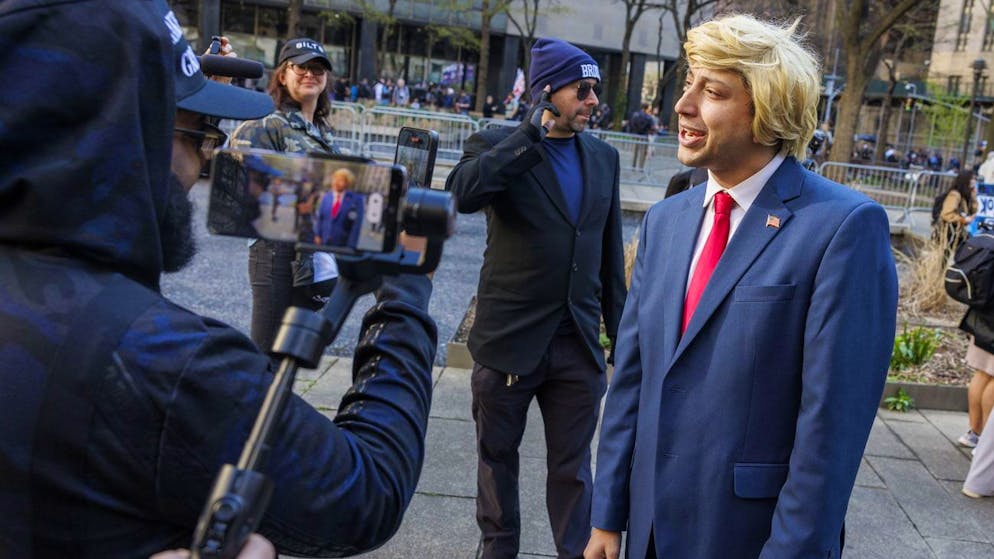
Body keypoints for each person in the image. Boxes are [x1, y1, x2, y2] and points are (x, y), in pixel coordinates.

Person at [0, 1, 438, 556]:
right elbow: (366, 491)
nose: (203, 164)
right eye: (200, 134)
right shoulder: (165, 361)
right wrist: (404, 291)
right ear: (128, 132)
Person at [585, 15, 897, 559]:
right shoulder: (666, 221)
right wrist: (607, 516)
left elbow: (830, 429)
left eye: (714, 92)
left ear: (768, 110)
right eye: (688, 85)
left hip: (749, 539)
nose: (683, 106)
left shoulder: (844, 227)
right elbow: (632, 380)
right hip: (647, 529)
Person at [446, 37, 627, 559]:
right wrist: (530, 135)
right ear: (547, 92)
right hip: (510, 343)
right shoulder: (496, 143)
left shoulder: (604, 157)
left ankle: (578, 552)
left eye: (595, 89)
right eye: (583, 89)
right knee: (496, 460)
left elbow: (609, 259)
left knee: (573, 468)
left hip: (576, 346)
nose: (594, 100)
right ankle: (498, 550)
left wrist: (622, 340)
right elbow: (462, 193)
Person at [229, 37, 339, 354]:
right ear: (282, 74)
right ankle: (257, 404)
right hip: (276, 254)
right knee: (267, 355)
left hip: (316, 258)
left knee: (293, 353)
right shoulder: (266, 124)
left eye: (318, 68)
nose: (310, 74)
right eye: (301, 67)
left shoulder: (322, 131)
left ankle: (279, 402)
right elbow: (243, 188)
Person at [314, 167, 364, 248]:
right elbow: (320, 218)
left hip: (342, 245)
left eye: (341, 180)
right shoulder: (326, 197)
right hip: (323, 242)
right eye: (335, 179)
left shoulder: (356, 200)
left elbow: (356, 226)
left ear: (348, 183)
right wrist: (317, 235)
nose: (336, 182)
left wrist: (350, 247)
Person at [934, 170, 978, 260]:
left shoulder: (965, 195)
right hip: (948, 232)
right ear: (965, 180)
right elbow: (946, 214)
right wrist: (963, 220)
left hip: (957, 232)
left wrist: (973, 196)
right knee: (943, 259)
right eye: (972, 179)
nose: (974, 181)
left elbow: (974, 210)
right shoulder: (955, 195)